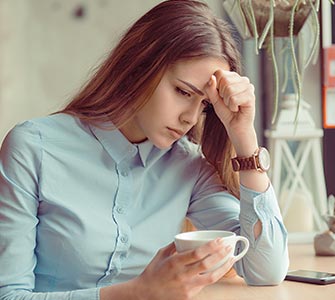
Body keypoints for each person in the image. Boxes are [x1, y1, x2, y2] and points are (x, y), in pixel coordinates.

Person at [0, 1, 289, 299]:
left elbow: (265, 269)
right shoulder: (34, 148)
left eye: (204, 104)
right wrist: (139, 293)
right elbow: (9, 295)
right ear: (139, 67)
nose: (190, 117)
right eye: (183, 92)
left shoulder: (188, 166)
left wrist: (244, 135)